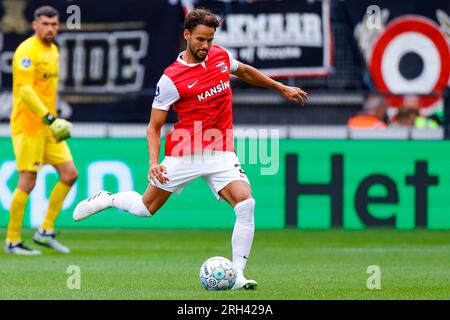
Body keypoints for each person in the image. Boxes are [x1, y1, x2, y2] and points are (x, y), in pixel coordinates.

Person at [73, 8, 307, 289]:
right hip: (183, 153)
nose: (205, 46)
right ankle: (108, 198)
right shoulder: (170, 79)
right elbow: (154, 126)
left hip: (221, 151)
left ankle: (238, 274)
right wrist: (153, 161)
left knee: (246, 203)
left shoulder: (220, 56)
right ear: (186, 35)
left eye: (209, 39)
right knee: (145, 209)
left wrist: (281, 88)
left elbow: (244, 71)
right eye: (199, 39)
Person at [7, 6, 76, 255]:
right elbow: (25, 91)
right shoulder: (26, 51)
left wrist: (52, 118)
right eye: (45, 23)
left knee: (69, 174)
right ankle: (13, 240)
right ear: (35, 25)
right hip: (28, 126)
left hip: (49, 126)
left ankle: (45, 230)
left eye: (55, 24)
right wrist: (48, 117)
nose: (50, 28)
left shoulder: (54, 50)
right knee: (28, 181)